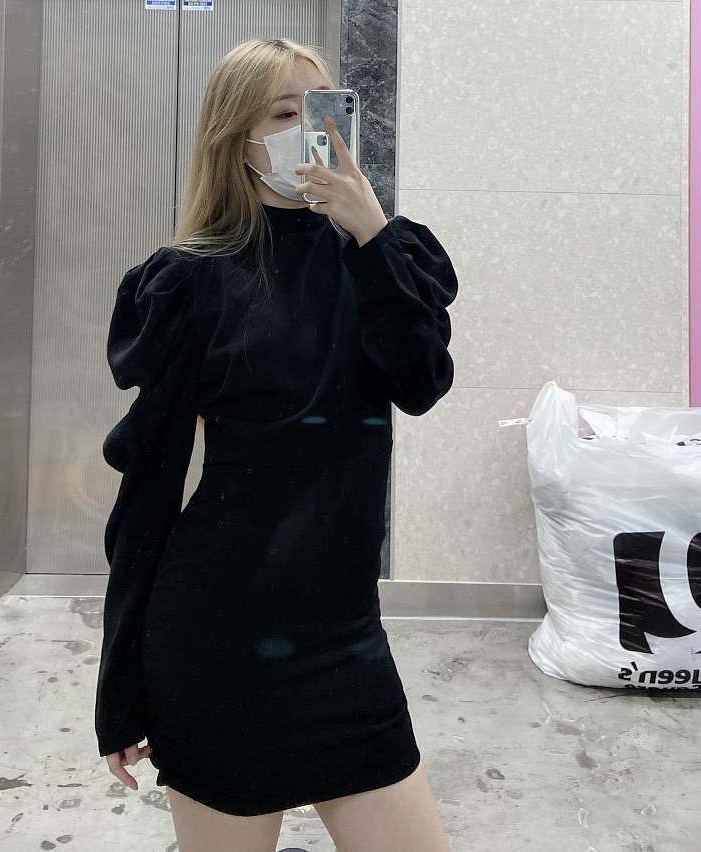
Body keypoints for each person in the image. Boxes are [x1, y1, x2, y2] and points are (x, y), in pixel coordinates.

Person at [96, 36, 457, 852]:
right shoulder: (189, 280)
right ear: (238, 140)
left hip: (345, 636)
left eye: (323, 110)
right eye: (285, 114)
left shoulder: (387, 258)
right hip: (217, 635)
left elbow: (421, 382)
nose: (309, 131)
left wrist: (372, 234)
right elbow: (149, 488)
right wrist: (119, 686)